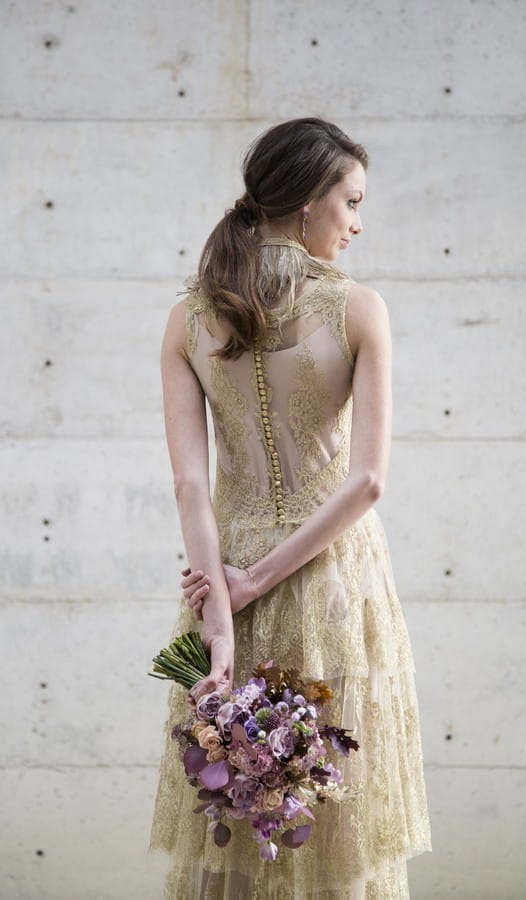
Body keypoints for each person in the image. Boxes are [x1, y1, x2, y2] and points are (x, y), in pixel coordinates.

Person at [150, 118, 431, 899]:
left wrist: (222, 609)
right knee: (340, 818)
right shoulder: (358, 309)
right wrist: (256, 581)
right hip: (337, 582)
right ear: (309, 202)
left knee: (231, 818)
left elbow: (189, 487)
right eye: (350, 200)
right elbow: (367, 481)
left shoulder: (189, 318)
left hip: (224, 580)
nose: (357, 222)